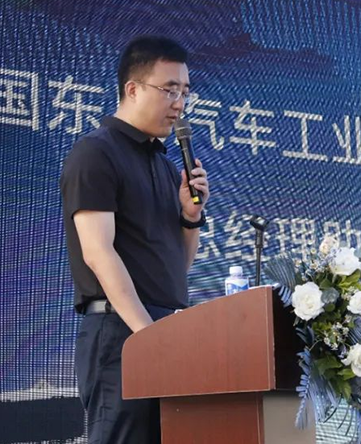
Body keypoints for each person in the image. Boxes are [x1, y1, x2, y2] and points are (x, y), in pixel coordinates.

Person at [60, 35, 210, 443]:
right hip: (120, 333)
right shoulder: (96, 153)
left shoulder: (166, 165)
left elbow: (176, 266)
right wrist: (148, 335)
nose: (180, 103)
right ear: (132, 89)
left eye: (185, 92)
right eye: (170, 90)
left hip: (162, 330)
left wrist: (190, 217)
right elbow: (98, 252)